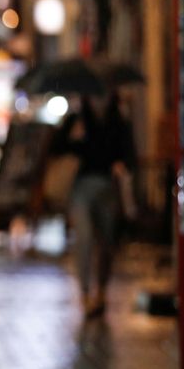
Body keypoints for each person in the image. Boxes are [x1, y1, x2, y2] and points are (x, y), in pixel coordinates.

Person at [51, 94, 137, 318]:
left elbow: (130, 155)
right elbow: (56, 147)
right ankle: (85, 293)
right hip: (81, 187)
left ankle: (101, 290)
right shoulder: (77, 119)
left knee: (107, 242)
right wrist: (73, 139)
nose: (99, 100)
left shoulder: (118, 122)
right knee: (85, 238)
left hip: (108, 186)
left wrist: (121, 163)